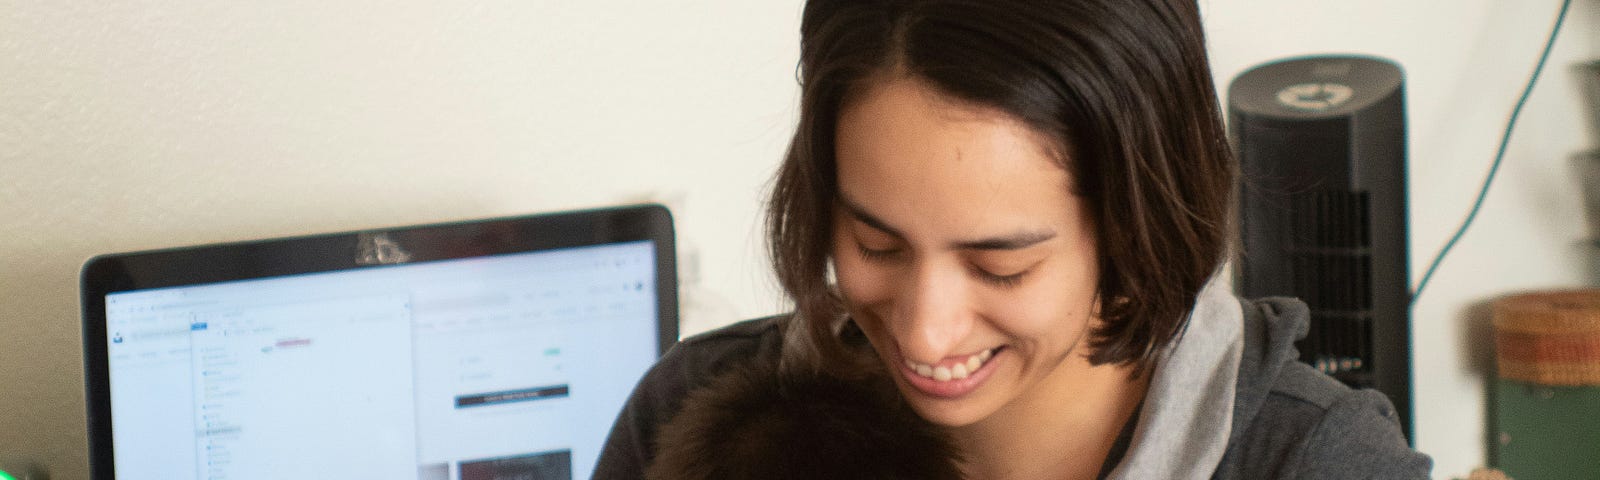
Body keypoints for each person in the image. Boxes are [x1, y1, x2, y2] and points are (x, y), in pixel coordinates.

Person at [595, 0, 1433, 478]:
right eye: (875, 243)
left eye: (1001, 265)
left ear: (1134, 228)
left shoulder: (1312, 462)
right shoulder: (694, 416)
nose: (926, 332)